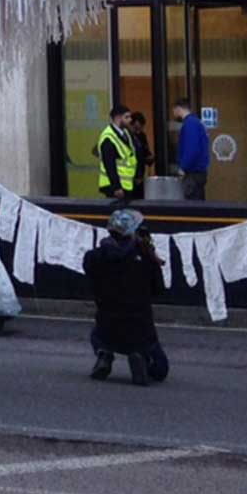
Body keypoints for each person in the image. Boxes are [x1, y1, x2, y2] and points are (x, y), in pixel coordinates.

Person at [82, 207, 169, 386]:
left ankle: (104, 354)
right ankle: (140, 357)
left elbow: (90, 281)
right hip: (141, 330)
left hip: (107, 327)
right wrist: (148, 253)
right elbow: (158, 290)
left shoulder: (94, 257)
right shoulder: (145, 259)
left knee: (96, 334)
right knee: (160, 371)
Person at [96, 105, 139, 202]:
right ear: (118, 118)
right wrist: (116, 187)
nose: (130, 120)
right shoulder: (108, 137)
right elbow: (109, 164)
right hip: (114, 186)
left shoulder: (125, 133)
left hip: (126, 184)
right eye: (127, 117)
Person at [174, 98, 210, 200]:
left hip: (193, 174)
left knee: (191, 205)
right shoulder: (197, 122)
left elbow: (191, 149)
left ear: (178, 109)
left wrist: (183, 168)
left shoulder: (190, 124)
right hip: (199, 172)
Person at [126, 110, 155, 177]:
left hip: (140, 173)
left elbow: (146, 152)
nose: (138, 132)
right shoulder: (125, 136)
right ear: (130, 125)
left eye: (140, 128)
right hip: (129, 174)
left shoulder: (141, 136)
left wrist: (149, 158)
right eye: (135, 128)